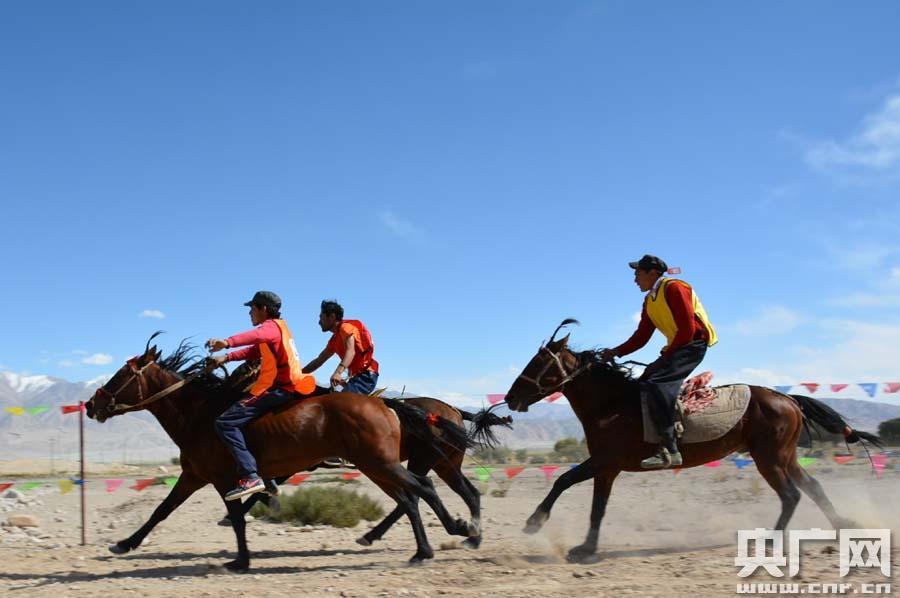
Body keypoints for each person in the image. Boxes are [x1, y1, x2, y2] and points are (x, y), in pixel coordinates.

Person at [599, 255, 717, 469]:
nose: (635, 279)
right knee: (645, 381)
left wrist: (664, 359)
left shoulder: (674, 288)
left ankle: (670, 449)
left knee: (657, 383)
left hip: (693, 344)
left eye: (638, 273)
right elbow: (641, 337)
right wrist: (615, 351)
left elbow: (688, 330)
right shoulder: (649, 301)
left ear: (653, 273)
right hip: (678, 347)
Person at [206, 291, 315, 500]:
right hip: (285, 386)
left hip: (276, 389)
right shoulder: (277, 329)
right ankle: (266, 477)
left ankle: (251, 476)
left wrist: (226, 342)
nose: (249, 313)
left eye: (252, 308)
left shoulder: (270, 327)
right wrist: (226, 358)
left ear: (263, 309)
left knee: (225, 423)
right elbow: (254, 350)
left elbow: (254, 336)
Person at [303, 300, 379, 395]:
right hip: (355, 378)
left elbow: (350, 351)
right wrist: (299, 374)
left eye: (321, 317)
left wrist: (338, 373)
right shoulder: (334, 340)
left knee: (337, 404)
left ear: (332, 317)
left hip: (365, 377)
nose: (319, 322)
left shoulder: (345, 328)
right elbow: (318, 361)